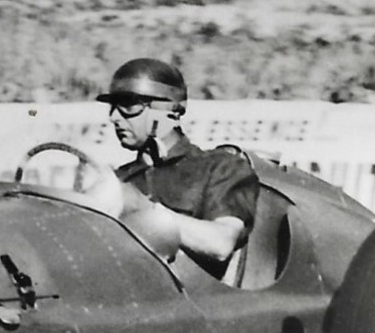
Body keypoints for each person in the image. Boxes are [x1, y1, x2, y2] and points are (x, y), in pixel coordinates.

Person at [95, 58, 259, 277]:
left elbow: (220, 243)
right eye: (113, 107)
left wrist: (140, 207)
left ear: (165, 109)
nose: (114, 117)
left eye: (128, 105)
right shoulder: (121, 179)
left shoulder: (220, 167)